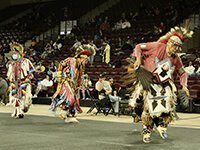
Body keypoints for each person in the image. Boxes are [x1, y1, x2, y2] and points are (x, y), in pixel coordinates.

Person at [125, 26, 193, 143]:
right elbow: (138, 47)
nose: (176, 49)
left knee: (168, 106)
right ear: (170, 42)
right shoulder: (156, 46)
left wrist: (184, 85)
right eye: (175, 46)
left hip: (164, 84)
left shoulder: (176, 59)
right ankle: (147, 129)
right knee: (144, 105)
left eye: (179, 47)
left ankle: (162, 125)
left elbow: (183, 73)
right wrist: (137, 59)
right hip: (148, 81)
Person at [50, 50, 92, 123]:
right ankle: (64, 111)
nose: (85, 62)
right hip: (65, 81)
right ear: (81, 58)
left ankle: (70, 114)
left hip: (73, 84)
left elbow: (80, 76)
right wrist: (59, 75)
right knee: (70, 98)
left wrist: (79, 84)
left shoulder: (81, 67)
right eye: (85, 60)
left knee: (74, 100)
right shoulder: (71, 60)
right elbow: (61, 65)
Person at [6, 43, 34, 118]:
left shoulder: (25, 61)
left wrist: (29, 77)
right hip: (14, 82)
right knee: (15, 97)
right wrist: (11, 81)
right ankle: (18, 112)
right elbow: (10, 74)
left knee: (24, 97)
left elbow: (31, 70)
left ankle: (20, 110)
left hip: (23, 81)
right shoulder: (11, 63)